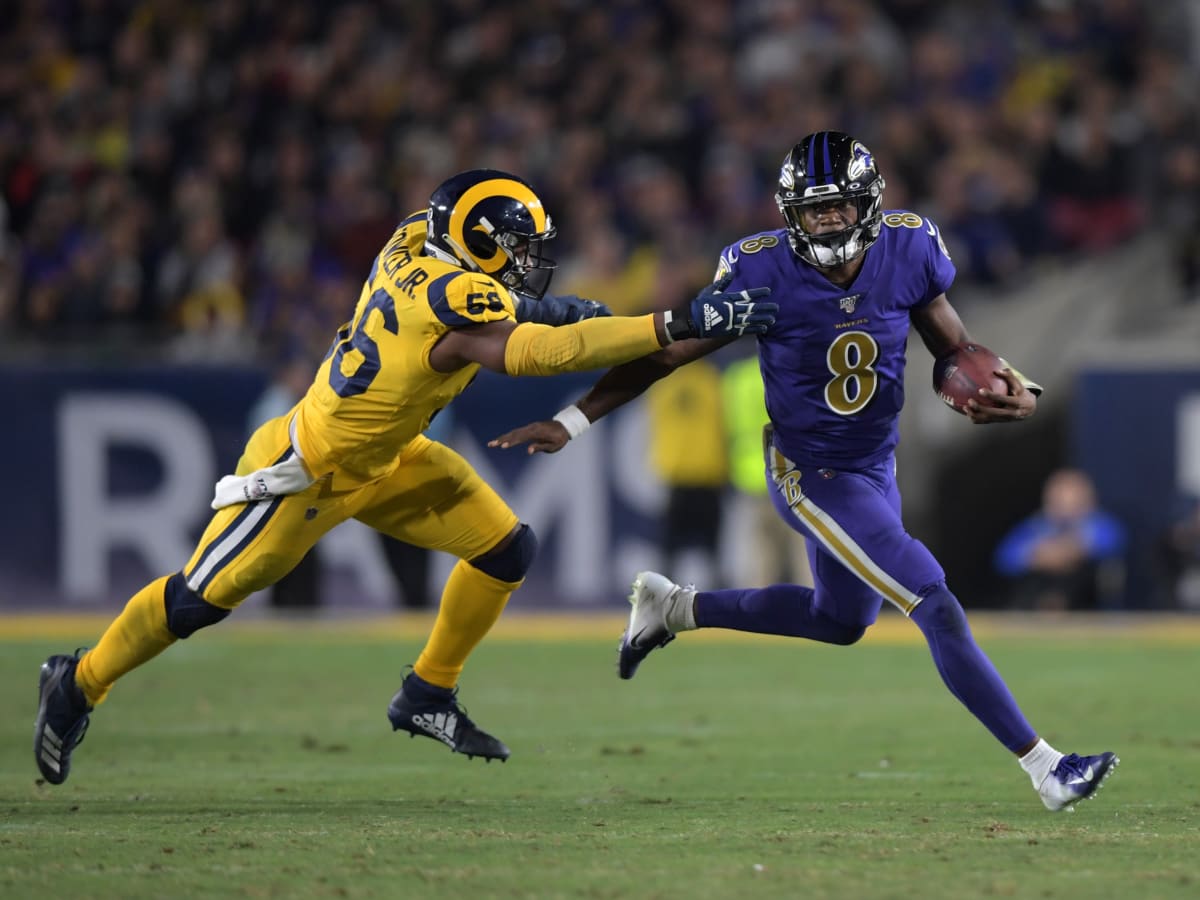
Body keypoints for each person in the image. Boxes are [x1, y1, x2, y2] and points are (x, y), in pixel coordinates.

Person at [33, 169, 775, 784]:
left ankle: (427, 691)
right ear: (477, 243)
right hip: (307, 471)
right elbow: (539, 354)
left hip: (388, 456)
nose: (527, 261)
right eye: (516, 248)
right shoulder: (455, 301)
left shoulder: (416, 236)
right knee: (198, 600)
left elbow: (497, 299)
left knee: (504, 549)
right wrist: (676, 322)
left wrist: (544, 305)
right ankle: (78, 682)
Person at [490, 133, 1118, 812]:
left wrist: (1013, 388)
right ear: (791, 213)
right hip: (811, 470)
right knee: (933, 600)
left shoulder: (908, 249)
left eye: (839, 206)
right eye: (814, 210)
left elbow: (954, 348)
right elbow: (666, 354)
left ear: (868, 205)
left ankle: (673, 608)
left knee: (841, 619)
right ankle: (1047, 768)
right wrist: (573, 421)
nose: (827, 221)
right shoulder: (760, 271)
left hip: (875, 462)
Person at [993, 468, 1128, 611]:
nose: (1066, 509)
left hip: (1084, 597)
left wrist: (1073, 550)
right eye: (1060, 501)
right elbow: (1004, 559)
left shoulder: (1098, 524)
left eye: (1074, 502)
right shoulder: (1036, 526)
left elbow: (1114, 543)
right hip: (1038, 592)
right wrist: (1037, 557)